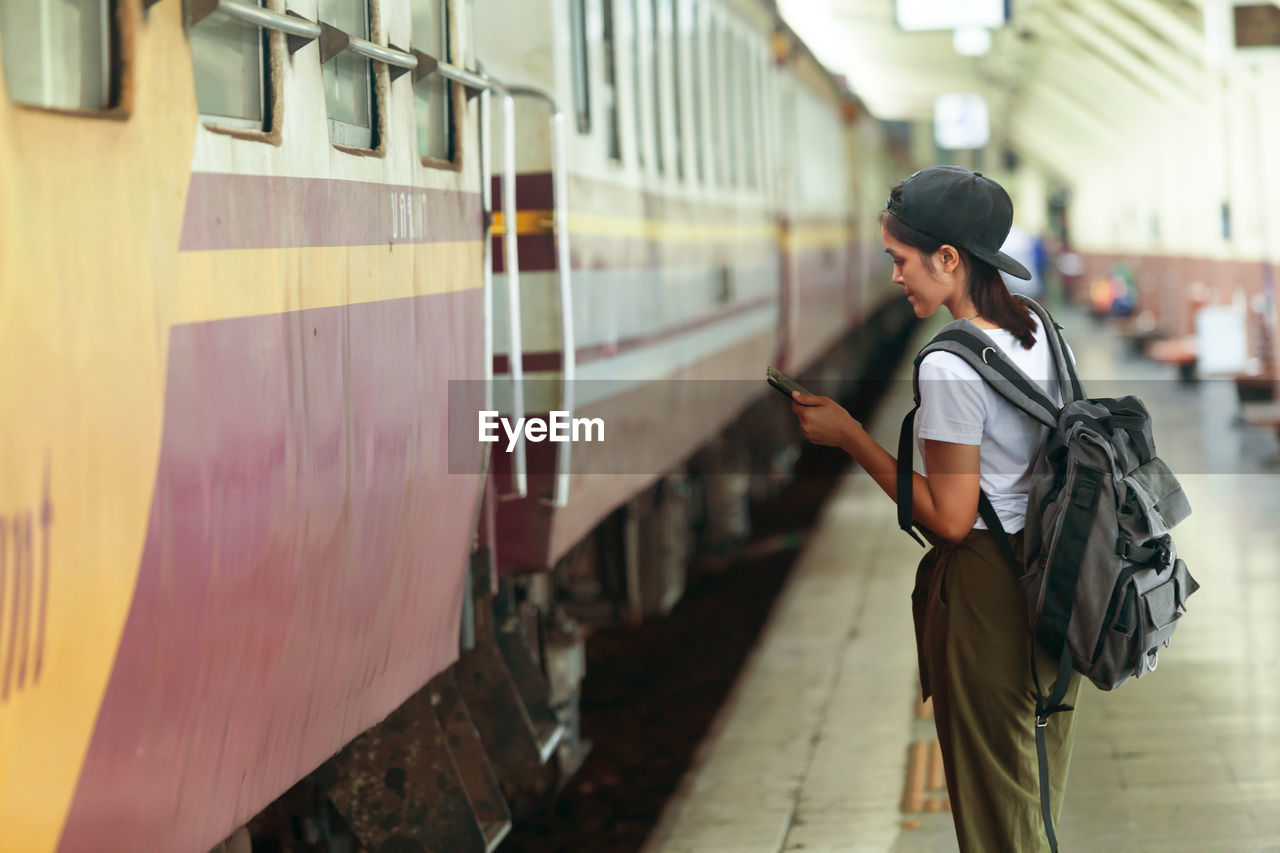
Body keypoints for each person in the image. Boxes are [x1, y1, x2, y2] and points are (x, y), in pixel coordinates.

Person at [788, 165, 1081, 852]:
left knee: (997, 821)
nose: (895, 277)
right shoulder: (1040, 328)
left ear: (949, 259)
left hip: (989, 590)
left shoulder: (950, 364)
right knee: (1032, 802)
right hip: (1058, 579)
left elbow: (950, 518)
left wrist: (851, 437)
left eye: (900, 260)